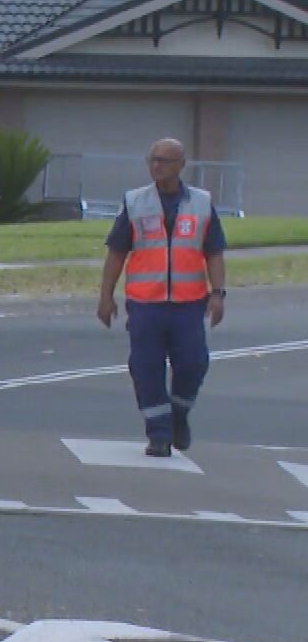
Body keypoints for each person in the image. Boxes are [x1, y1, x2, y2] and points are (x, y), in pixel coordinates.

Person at [97, 138, 227, 457]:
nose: (156, 166)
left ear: (181, 165)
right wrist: (106, 296)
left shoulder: (200, 202)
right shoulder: (135, 202)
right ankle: (158, 434)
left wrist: (218, 294)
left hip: (188, 303)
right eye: (152, 160)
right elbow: (116, 253)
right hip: (145, 304)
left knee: (193, 364)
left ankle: (178, 416)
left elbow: (214, 252)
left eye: (164, 161)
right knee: (146, 367)